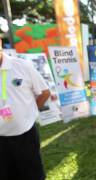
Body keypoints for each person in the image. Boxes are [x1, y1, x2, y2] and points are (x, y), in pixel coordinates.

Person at [0, 38, 50, 180]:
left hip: (25, 136)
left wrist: (28, 112)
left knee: (32, 175)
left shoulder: (22, 66)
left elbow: (45, 93)